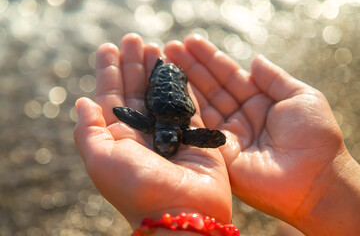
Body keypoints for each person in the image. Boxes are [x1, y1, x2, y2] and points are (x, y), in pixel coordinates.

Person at [73, 33, 360, 235]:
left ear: (168, 134)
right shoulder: (176, 126)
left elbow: (132, 116)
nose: (167, 148)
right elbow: (213, 138)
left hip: (166, 81)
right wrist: (326, 183)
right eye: (168, 145)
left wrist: (168, 210)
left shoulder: (157, 122)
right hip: (168, 78)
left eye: (168, 144)